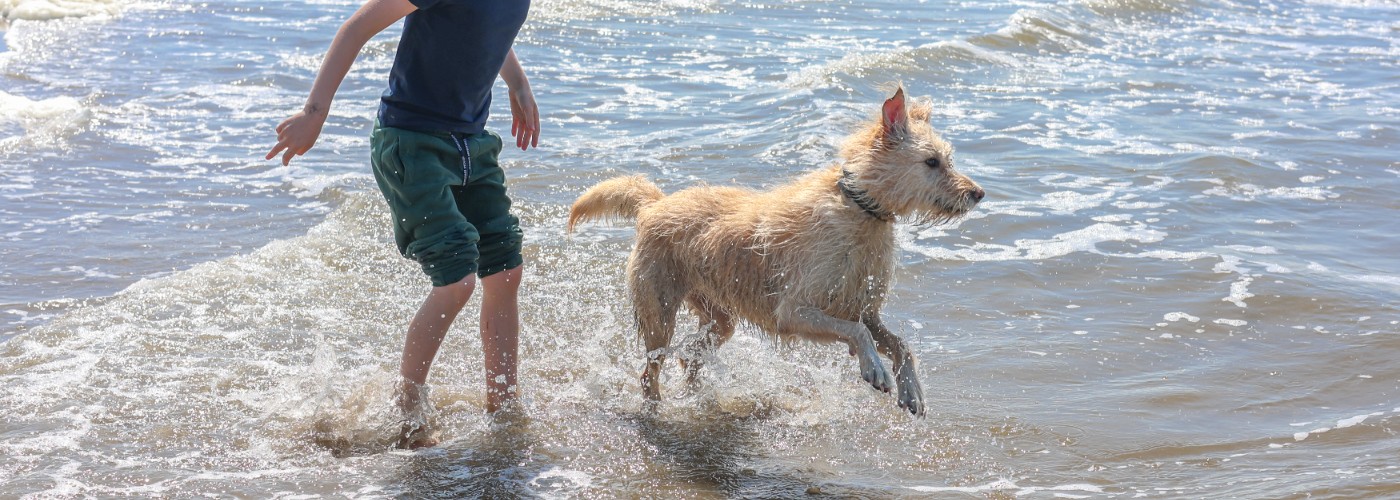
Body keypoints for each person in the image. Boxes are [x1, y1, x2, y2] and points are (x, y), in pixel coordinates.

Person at [266, 0, 538, 448]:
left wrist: (518, 83)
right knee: (458, 278)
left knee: (505, 269)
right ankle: (406, 411)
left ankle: (504, 407)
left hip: (472, 142)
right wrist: (313, 115)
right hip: (410, 142)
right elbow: (358, 26)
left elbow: (485, 26)